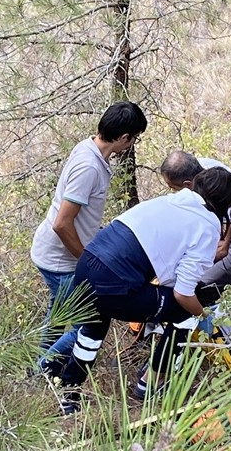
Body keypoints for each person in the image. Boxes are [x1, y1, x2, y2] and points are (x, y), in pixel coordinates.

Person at [49, 167, 231, 414]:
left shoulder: (168, 201)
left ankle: (69, 395)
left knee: (91, 332)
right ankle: (151, 383)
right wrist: (202, 315)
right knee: (184, 314)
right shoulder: (207, 225)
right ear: (226, 202)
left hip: (86, 266)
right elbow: (182, 294)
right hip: (115, 284)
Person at [29, 101, 147, 368]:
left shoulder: (91, 151)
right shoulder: (89, 167)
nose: (132, 144)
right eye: (134, 138)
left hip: (56, 254)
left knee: (58, 316)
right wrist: (86, 260)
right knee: (87, 323)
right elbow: (62, 223)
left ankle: (36, 365)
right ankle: (41, 371)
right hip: (59, 260)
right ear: (124, 137)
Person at [159, 151, 231, 298]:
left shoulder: (222, 195)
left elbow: (221, 250)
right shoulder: (201, 167)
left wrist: (184, 270)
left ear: (187, 184)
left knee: (197, 283)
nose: (173, 191)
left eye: (173, 187)